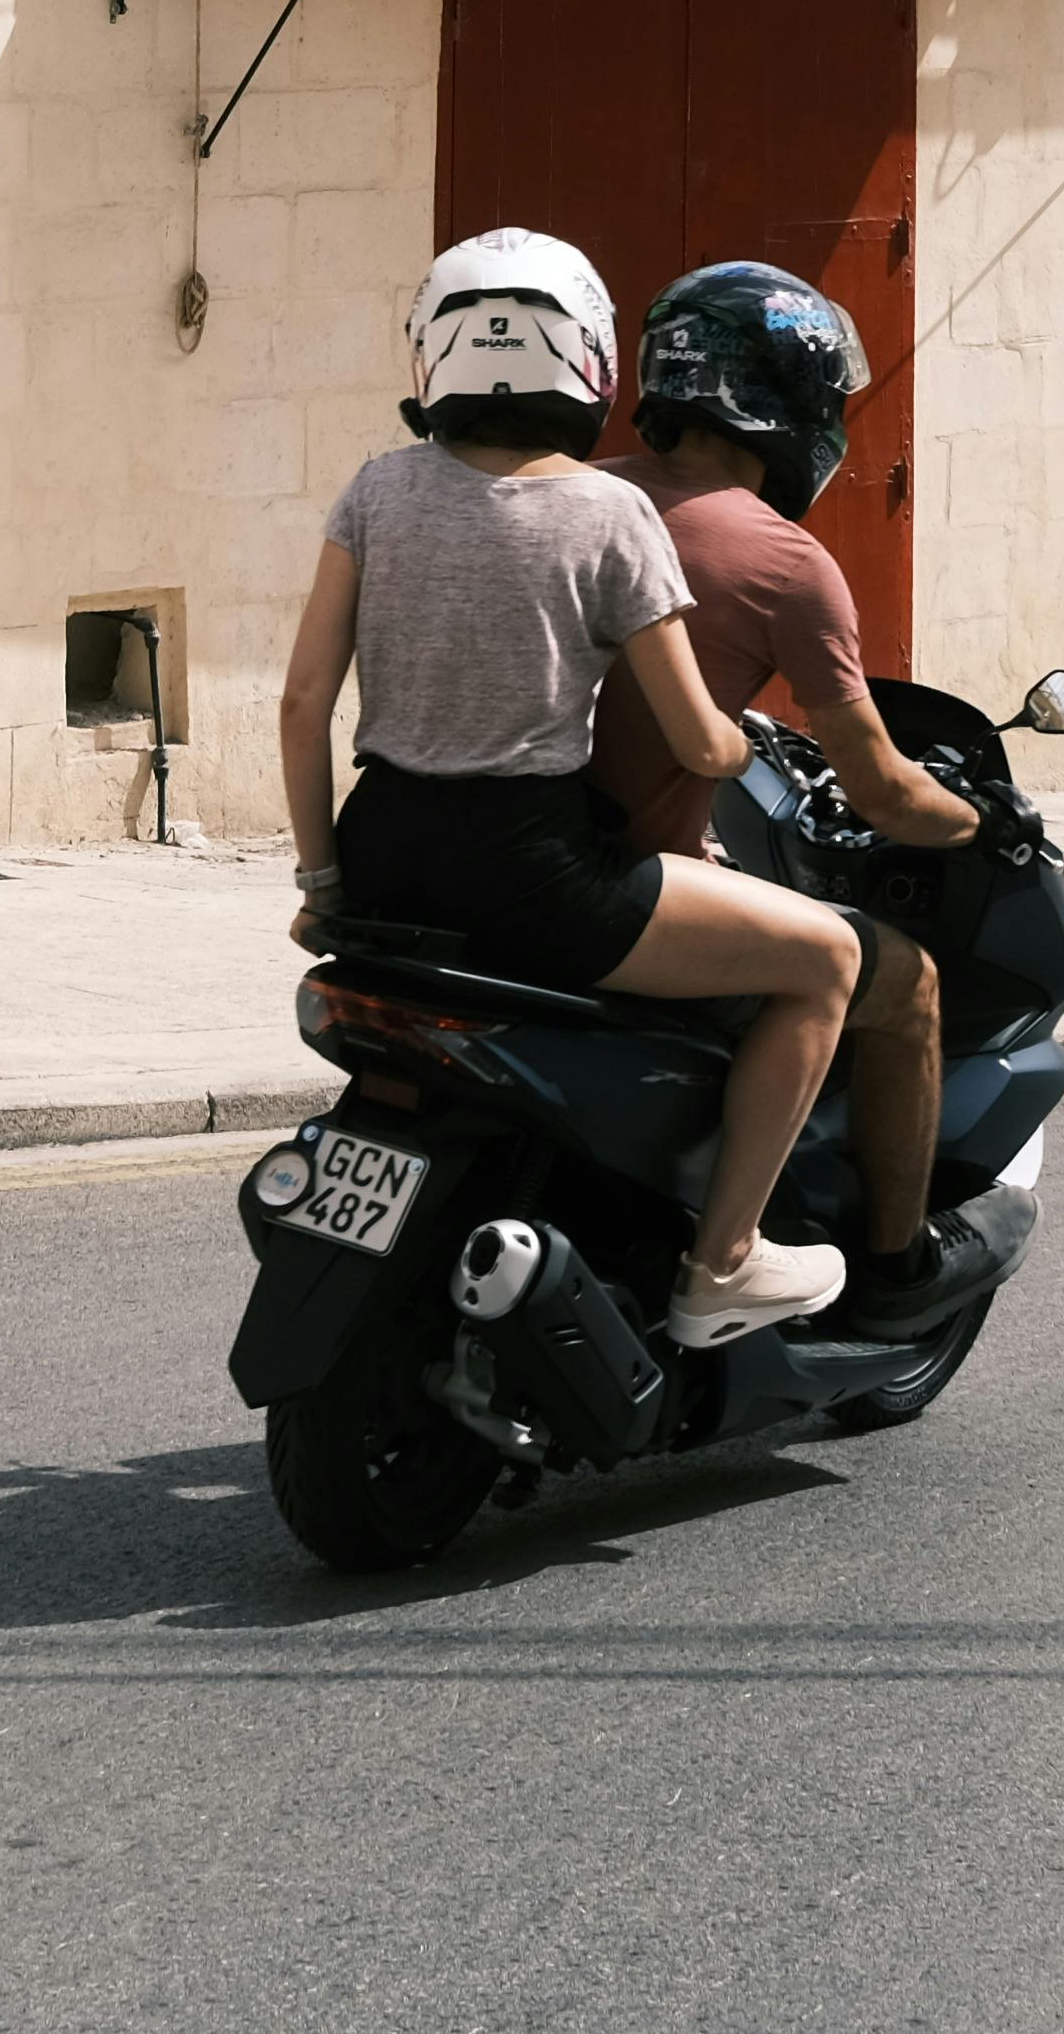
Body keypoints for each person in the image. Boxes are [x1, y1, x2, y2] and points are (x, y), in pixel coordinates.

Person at [275, 230, 864, 1347]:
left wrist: (322, 877)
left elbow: (306, 704)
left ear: (431, 355)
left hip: (387, 849)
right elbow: (697, 741)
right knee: (828, 959)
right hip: (536, 874)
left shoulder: (378, 487)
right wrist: (745, 749)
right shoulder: (609, 513)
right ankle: (724, 1262)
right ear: (590, 359)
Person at [590, 260, 985, 1335]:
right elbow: (882, 785)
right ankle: (886, 1265)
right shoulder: (781, 557)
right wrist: (979, 821)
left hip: (505, 851)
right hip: (614, 889)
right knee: (897, 978)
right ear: (788, 399)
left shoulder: (574, 495)